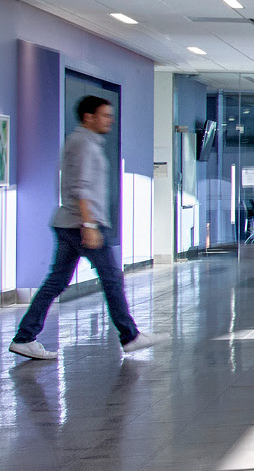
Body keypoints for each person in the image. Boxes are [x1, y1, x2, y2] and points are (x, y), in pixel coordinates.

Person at [10, 96, 156, 361]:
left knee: (56, 282)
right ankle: (130, 336)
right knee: (112, 278)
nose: (110, 120)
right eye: (105, 115)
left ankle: (25, 337)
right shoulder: (84, 144)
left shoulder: (82, 142)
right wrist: (89, 225)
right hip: (81, 224)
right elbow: (81, 188)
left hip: (69, 223)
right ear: (89, 117)